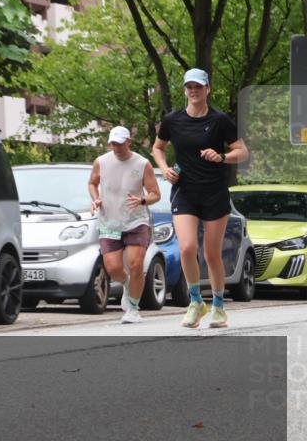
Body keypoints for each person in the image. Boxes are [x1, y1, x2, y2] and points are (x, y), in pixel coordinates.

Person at [152, 68, 248, 329]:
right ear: (184, 90)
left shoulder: (220, 120)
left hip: (214, 193)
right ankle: (196, 302)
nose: (193, 91)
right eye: (189, 87)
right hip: (185, 192)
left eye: (198, 87)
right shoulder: (173, 120)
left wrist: (223, 157)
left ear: (208, 89)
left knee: (212, 254)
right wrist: (163, 168)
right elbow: (157, 148)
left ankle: (218, 306)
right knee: (186, 248)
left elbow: (242, 151)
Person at [88, 126, 161, 324]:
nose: (116, 147)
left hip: (136, 221)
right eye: (113, 144)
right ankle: (128, 285)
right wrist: (96, 199)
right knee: (113, 269)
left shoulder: (142, 163)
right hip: (109, 222)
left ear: (128, 142)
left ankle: (133, 308)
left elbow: (155, 193)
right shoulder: (101, 162)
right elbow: (92, 183)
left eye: (120, 143)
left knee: (136, 265)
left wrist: (143, 201)